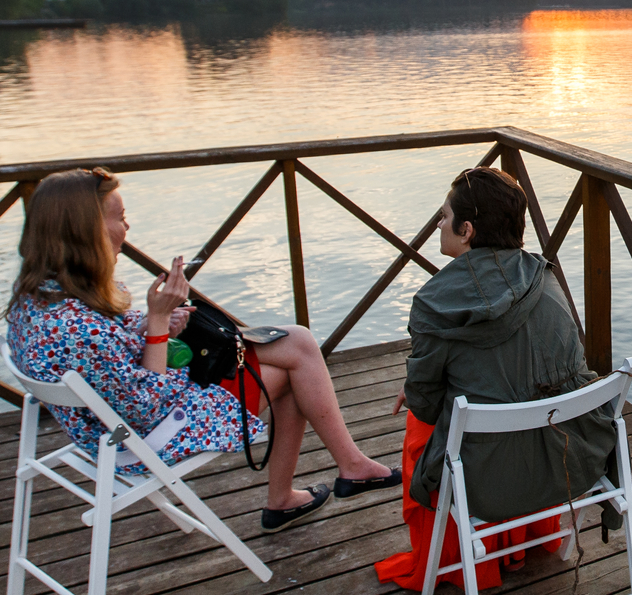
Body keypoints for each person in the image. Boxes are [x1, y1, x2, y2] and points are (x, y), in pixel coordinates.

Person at [5, 168, 401, 532]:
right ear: (85, 229)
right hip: (143, 436)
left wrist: (154, 323)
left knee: (295, 341)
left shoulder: (42, 297)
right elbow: (144, 404)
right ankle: (310, 485)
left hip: (109, 423)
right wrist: (158, 324)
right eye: (119, 216)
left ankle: (337, 472)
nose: (127, 226)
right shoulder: (75, 326)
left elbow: (113, 361)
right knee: (295, 369)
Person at [376, 166, 617, 593]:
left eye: (443, 215)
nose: (437, 223)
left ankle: (451, 562)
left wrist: (418, 383)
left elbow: (428, 406)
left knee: (422, 428)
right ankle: (520, 543)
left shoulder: (434, 303)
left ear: (466, 230)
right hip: (571, 457)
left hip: (487, 481)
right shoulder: (544, 276)